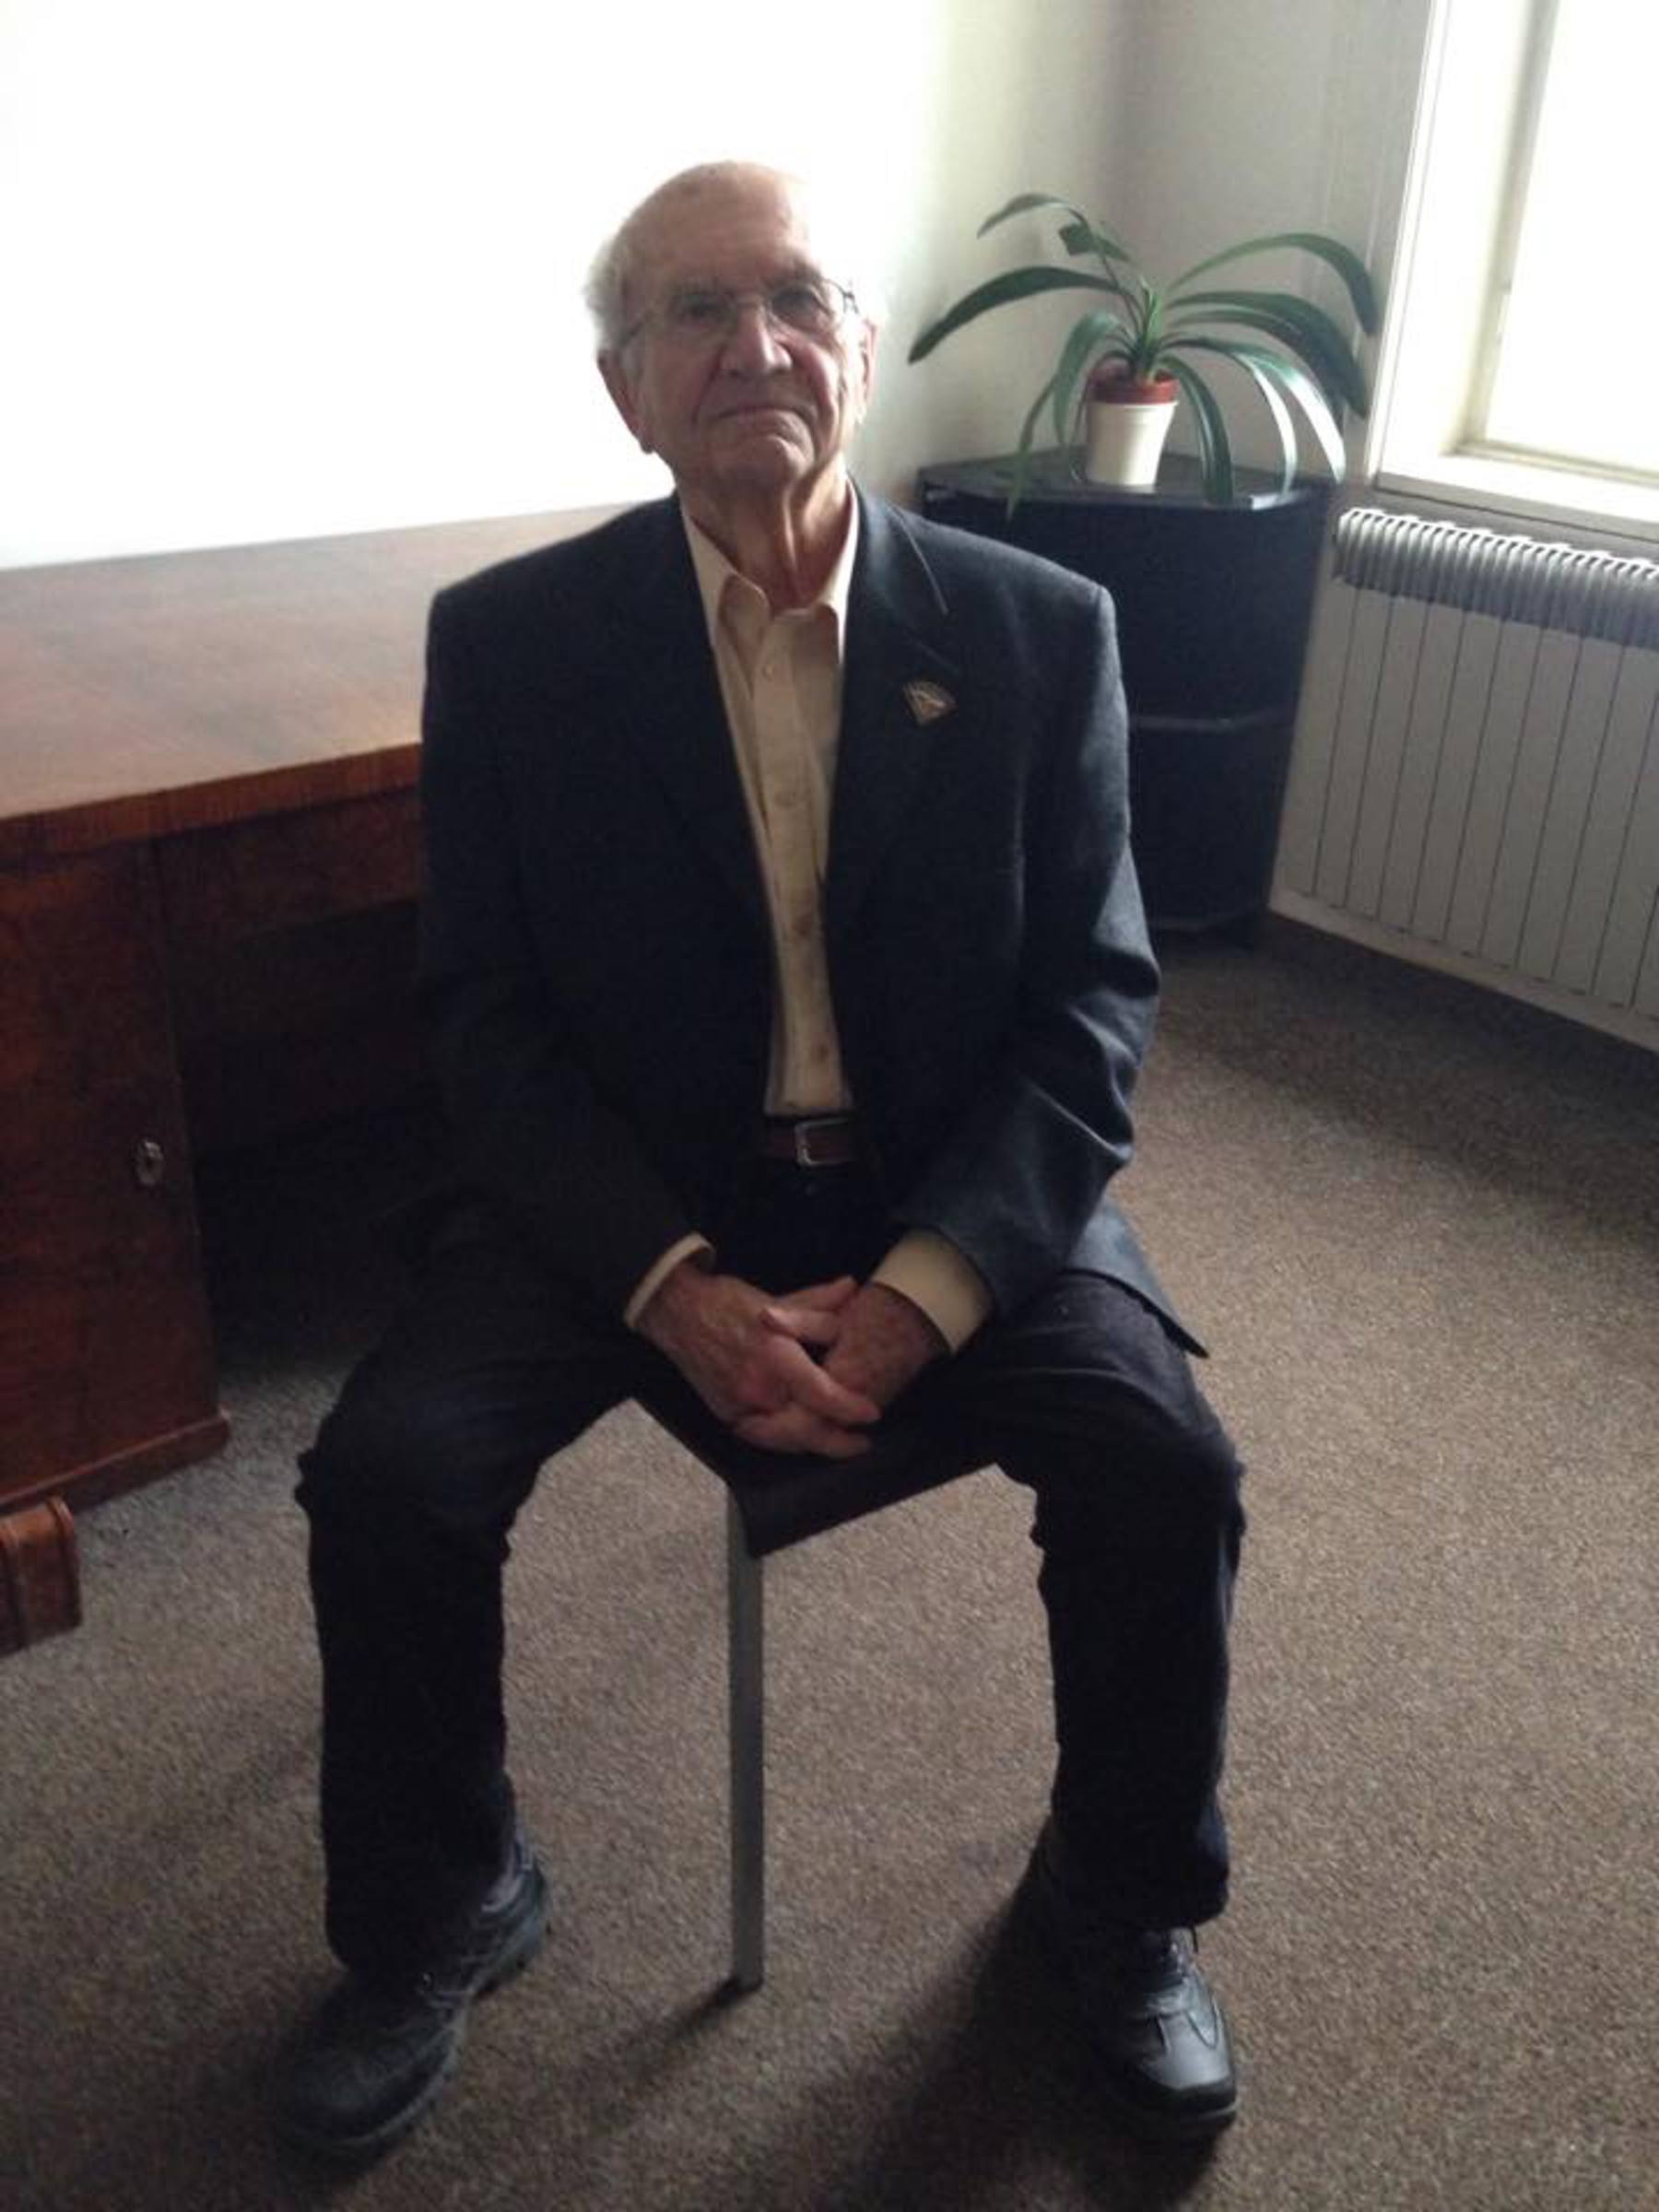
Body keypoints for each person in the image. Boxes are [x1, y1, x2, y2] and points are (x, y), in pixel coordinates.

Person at [276, 159, 1246, 2162]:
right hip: (634, 1195)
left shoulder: (1040, 631)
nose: (757, 347)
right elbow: (487, 1025)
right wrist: (673, 1288)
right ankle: (447, 1899)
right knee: (386, 1476)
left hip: (949, 1175)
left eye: (799, 299)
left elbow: (1093, 1003)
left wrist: (929, 1293)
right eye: (696, 314)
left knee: (1166, 1468)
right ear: (625, 389)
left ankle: (1116, 1896)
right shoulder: (516, 647)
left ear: (863, 351)